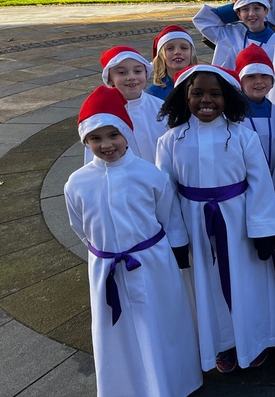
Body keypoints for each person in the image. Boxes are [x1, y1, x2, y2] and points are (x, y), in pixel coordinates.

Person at [65, 86, 203, 397]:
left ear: (127, 133)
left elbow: (169, 217)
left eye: (113, 135)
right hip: (107, 267)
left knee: (159, 322)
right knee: (116, 330)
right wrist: (102, 252)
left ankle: (171, 383)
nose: (106, 144)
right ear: (85, 141)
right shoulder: (77, 183)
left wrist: (176, 253)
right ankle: (125, 387)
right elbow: (80, 226)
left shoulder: (149, 175)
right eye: (96, 138)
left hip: (152, 263)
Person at [156, 65, 275, 373]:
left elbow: (260, 185)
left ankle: (254, 341)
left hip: (239, 227)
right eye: (197, 93)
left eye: (215, 93)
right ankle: (221, 344)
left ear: (228, 98)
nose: (206, 100)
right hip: (195, 227)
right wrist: (176, 237)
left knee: (246, 284)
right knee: (207, 287)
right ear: (184, 97)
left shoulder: (243, 137)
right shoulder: (170, 141)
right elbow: (165, 194)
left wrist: (263, 231)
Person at [89, 46, 167, 165]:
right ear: (109, 79)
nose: (131, 77)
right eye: (122, 72)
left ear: (146, 73)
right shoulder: (103, 114)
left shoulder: (161, 107)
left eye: (137, 71)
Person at [193, 0, 275, 70]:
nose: (251, 14)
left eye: (256, 8)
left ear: (266, 11)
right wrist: (235, 7)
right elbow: (201, 19)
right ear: (238, 14)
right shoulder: (229, 34)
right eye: (245, 9)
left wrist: (242, 7)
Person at [234, 44, 275, 180]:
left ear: (272, 80)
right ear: (240, 80)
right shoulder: (232, 116)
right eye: (251, 76)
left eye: (264, 75)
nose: (259, 81)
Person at [147, 25, 198, 101]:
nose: (177, 52)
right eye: (170, 48)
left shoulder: (203, 85)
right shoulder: (153, 93)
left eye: (184, 48)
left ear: (191, 53)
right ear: (161, 56)